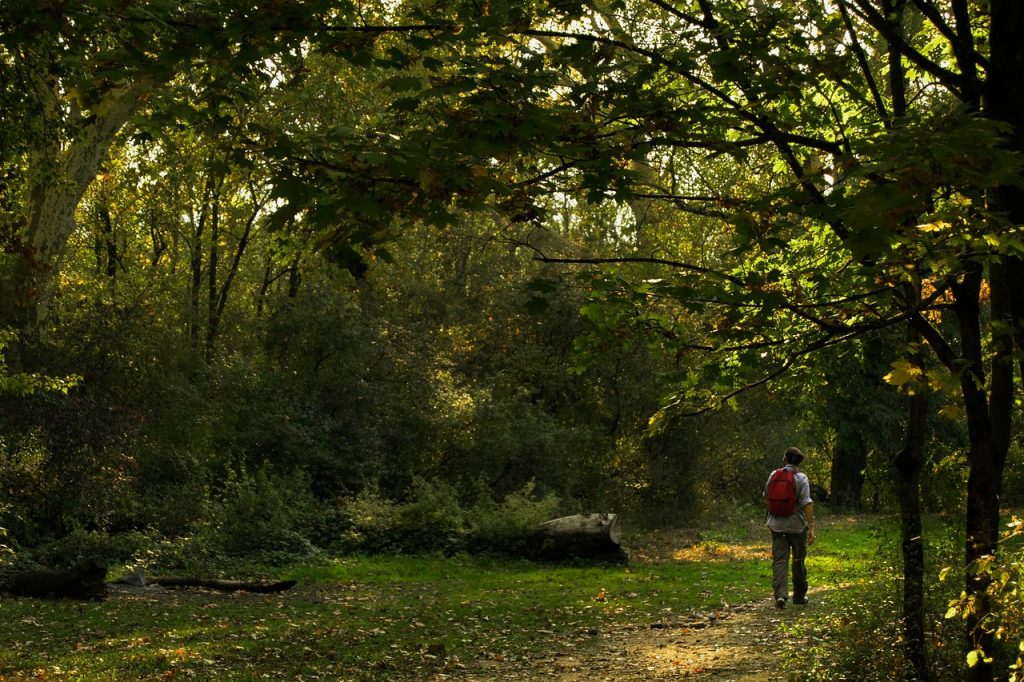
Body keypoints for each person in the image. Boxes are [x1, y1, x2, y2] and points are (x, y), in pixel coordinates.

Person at [763, 446, 815, 609]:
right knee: (798, 560)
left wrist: (775, 512)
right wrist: (811, 527)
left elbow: (766, 497)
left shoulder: (774, 474)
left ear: (785, 459)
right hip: (797, 527)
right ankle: (799, 597)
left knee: (779, 560)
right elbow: (807, 503)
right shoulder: (802, 478)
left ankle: (780, 595)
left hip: (776, 525)